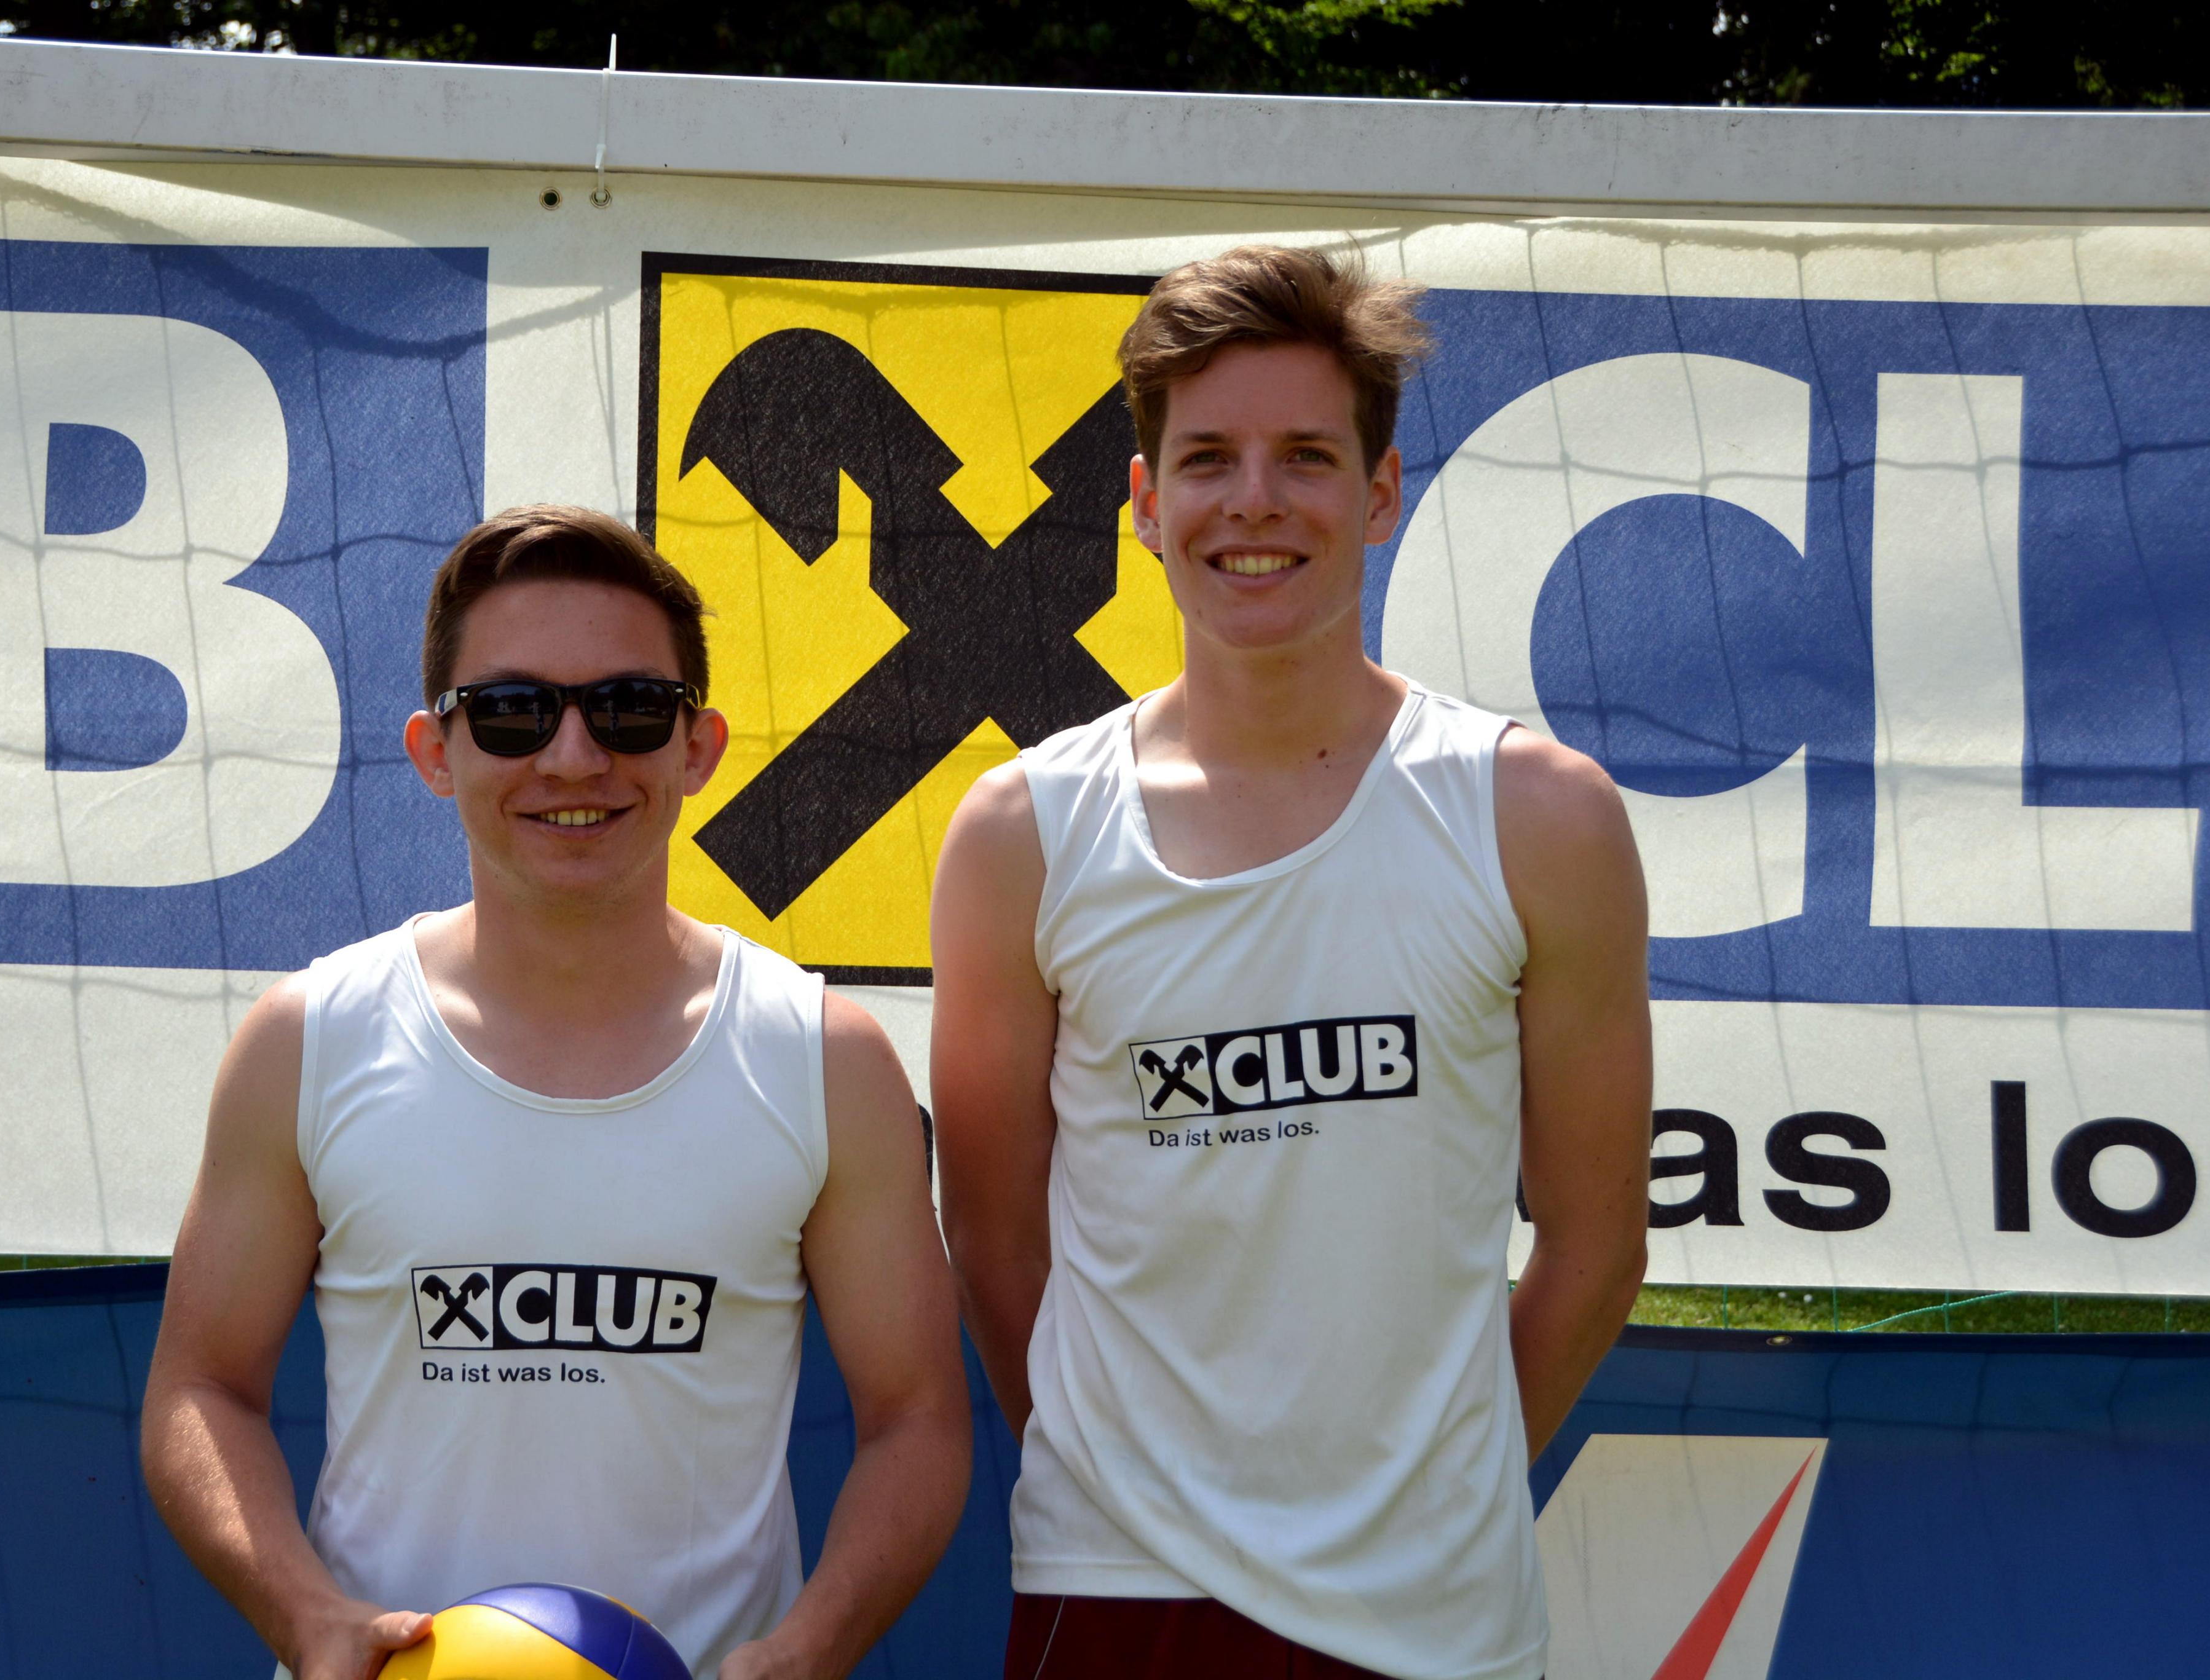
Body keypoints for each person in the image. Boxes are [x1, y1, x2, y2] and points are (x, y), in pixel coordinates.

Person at [930, 246, 1651, 1679]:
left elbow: (1594, 1245)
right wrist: (1130, 1490)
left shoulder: (1537, 814)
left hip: (1433, 1605)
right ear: (1144, 504)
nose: (1252, 500)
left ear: (1378, 495)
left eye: (1305, 457)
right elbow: (997, 1246)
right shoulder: (1023, 830)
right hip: (1117, 1580)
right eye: (1206, 458)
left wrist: (1429, 1498)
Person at [143, 506, 970, 1680]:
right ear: (436, 750)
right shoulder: (309, 1041)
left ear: (699, 746)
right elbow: (201, 1390)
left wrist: (808, 1647)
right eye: (512, 711)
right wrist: (306, 1615)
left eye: (628, 708)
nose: (574, 758)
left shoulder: (823, 1059)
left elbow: (917, 1421)